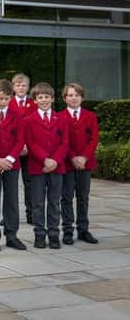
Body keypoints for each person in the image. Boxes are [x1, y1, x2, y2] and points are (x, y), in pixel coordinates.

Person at [0, 79, 27, 252]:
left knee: (12, 200)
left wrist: (8, 159)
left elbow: (20, 140)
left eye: (7, 98)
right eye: (0, 98)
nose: (4, 101)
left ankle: (12, 235)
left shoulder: (17, 116)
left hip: (11, 165)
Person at [23, 82, 69, 250]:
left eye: (47, 97)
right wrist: (45, 159)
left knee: (54, 201)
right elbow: (31, 142)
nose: (44, 100)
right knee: (38, 203)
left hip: (57, 167)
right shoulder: (28, 121)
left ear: (53, 99)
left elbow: (65, 143)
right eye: (40, 97)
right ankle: (39, 234)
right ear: (34, 100)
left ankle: (54, 233)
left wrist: (55, 161)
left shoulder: (62, 120)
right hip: (38, 167)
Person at [60, 83, 99, 245]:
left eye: (76, 95)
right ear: (64, 98)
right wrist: (72, 157)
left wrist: (84, 157)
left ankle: (83, 229)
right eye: (70, 95)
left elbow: (94, 139)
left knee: (83, 197)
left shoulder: (90, 116)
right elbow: (61, 140)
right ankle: (68, 230)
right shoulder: (60, 116)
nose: (73, 98)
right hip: (67, 163)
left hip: (85, 164)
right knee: (67, 197)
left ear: (82, 97)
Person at [9, 73, 36, 224]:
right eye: (18, 85)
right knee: (10, 184)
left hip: (28, 149)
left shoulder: (34, 104)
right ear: (13, 87)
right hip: (11, 150)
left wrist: (26, 145)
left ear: (28, 87)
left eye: (24, 85)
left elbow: (34, 127)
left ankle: (31, 213)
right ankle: (10, 214)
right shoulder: (8, 103)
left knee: (29, 182)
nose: (21, 88)